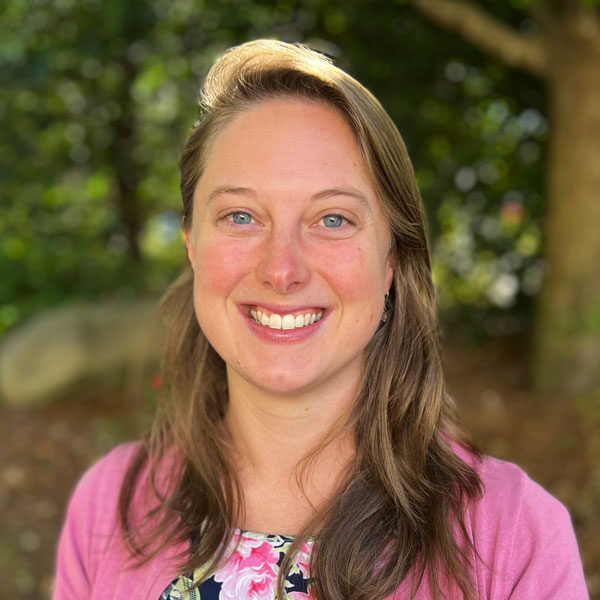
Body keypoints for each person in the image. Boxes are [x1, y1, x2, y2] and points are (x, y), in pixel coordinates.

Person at [52, 39, 588, 600]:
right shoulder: (109, 505)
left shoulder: (514, 535)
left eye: (332, 219)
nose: (282, 269)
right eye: (240, 216)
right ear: (192, 245)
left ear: (391, 260)